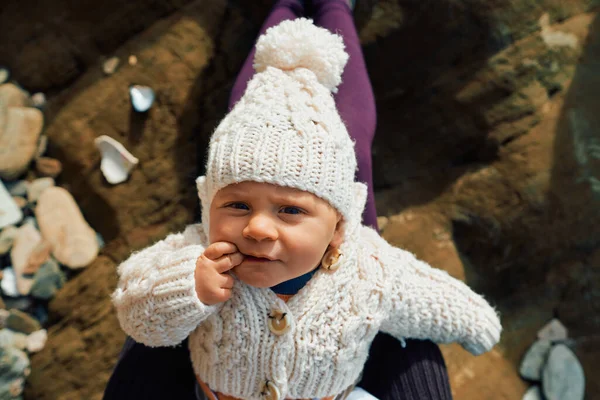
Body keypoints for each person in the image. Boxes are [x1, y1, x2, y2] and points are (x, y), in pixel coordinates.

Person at [104, 2, 502, 400]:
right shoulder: (194, 255)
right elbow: (135, 312)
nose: (256, 227)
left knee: (355, 139)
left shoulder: (369, 269)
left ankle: (330, 6)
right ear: (209, 206)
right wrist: (185, 287)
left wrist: (477, 323)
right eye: (237, 206)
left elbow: (429, 295)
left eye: (290, 210)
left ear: (339, 228)